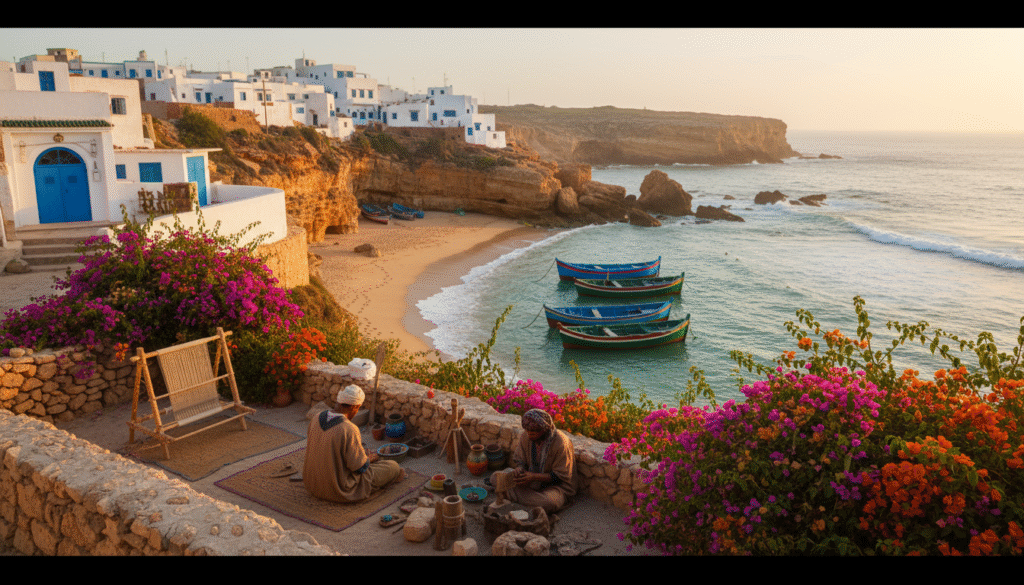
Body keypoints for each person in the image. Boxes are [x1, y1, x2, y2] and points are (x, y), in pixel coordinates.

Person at [303, 385, 404, 503]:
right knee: (393, 466)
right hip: (338, 489)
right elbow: (360, 468)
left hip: (312, 484)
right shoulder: (349, 428)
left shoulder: (316, 417)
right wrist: (368, 458)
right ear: (355, 407)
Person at [507, 408, 577, 513]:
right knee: (496, 477)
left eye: (534, 432)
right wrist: (519, 469)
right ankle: (527, 497)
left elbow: (560, 477)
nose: (529, 434)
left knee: (548, 503)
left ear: (544, 430)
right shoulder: (527, 436)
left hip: (558, 487)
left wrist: (533, 476)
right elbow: (520, 461)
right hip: (532, 481)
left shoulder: (561, 443)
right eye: (527, 431)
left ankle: (514, 494)